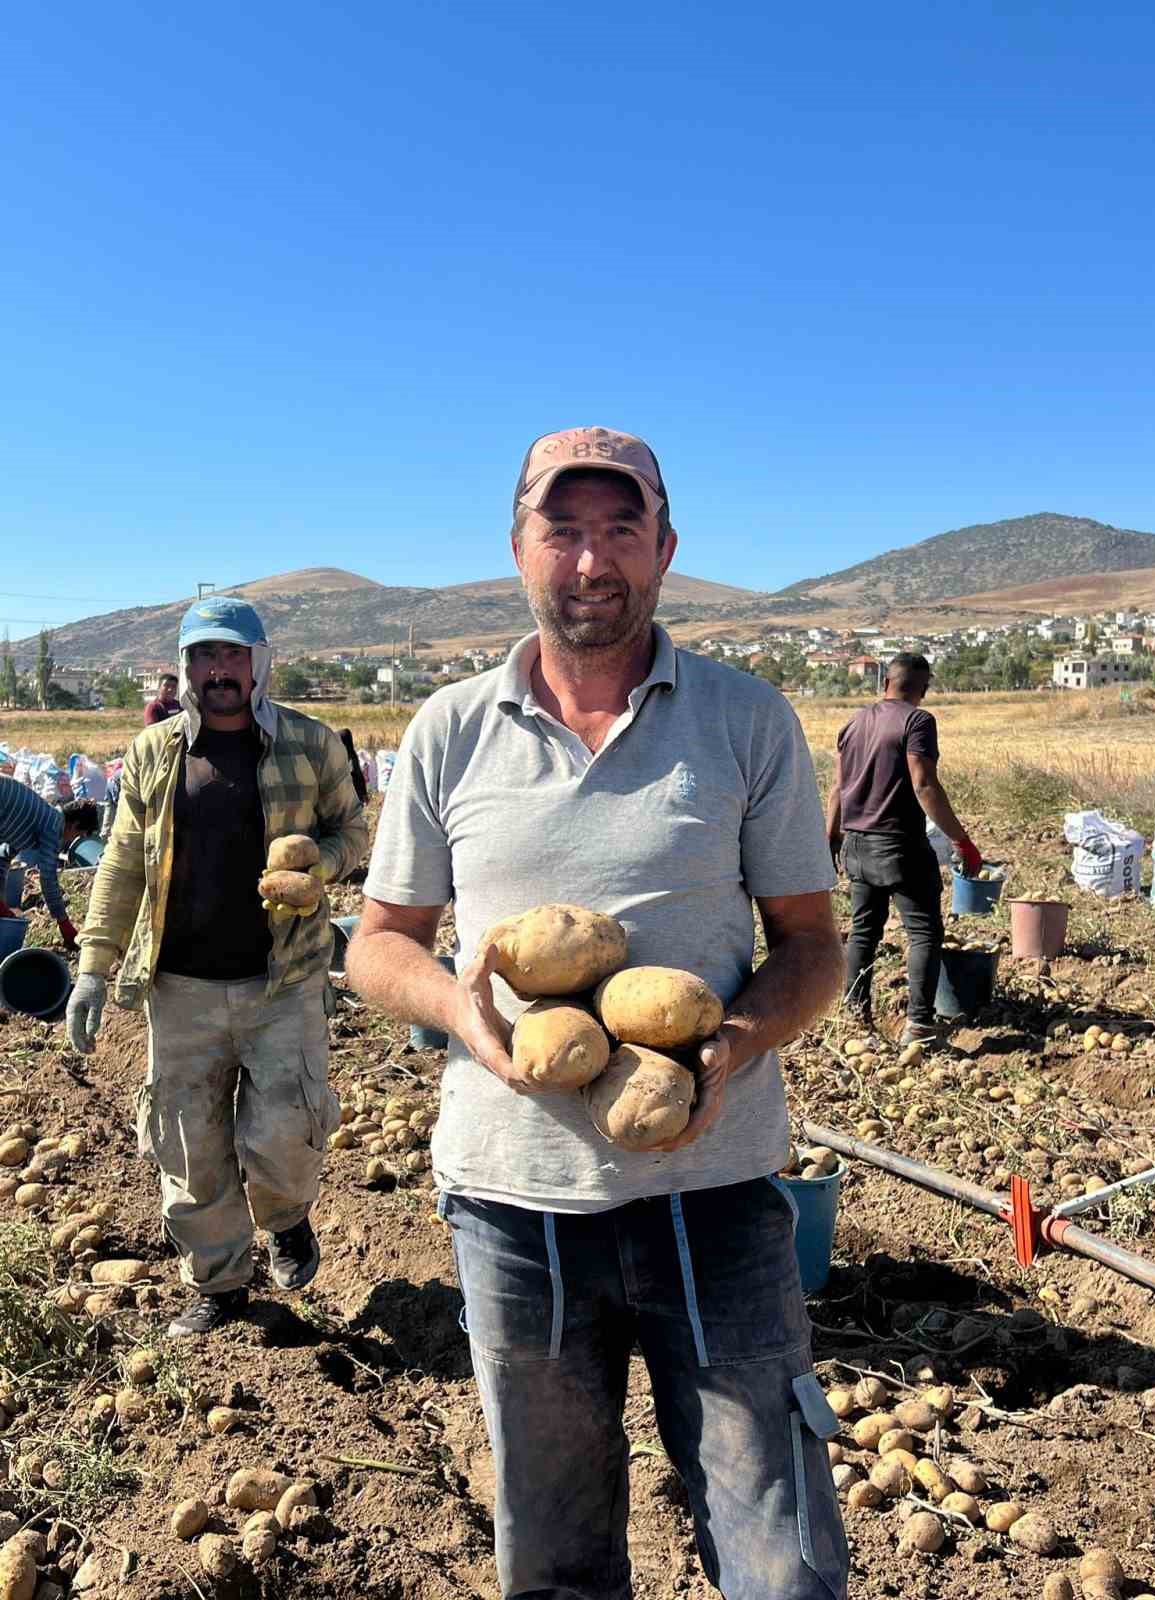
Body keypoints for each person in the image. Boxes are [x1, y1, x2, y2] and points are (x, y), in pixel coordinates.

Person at [347, 426, 849, 1600]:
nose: (590, 558)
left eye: (620, 527)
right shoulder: (449, 729)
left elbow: (816, 945)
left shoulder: (745, 719)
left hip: (716, 1196)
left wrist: (742, 1036)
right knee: (556, 1557)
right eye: (561, 528)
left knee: (783, 1553)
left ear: (666, 548)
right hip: (516, 1209)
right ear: (518, 549)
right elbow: (379, 943)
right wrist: (464, 1016)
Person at [64, 597, 367, 1338]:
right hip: (181, 988)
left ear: (260, 664)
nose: (219, 671)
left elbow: (354, 829)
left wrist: (320, 866)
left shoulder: (310, 742)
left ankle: (287, 1219)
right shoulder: (155, 751)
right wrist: (94, 968)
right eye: (204, 656)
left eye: (234, 655)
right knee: (190, 1145)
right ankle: (219, 1284)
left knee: (283, 1132)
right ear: (185, 666)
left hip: (283, 979)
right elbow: (122, 864)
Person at [825, 652, 982, 1045]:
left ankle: (856, 1018)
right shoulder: (918, 721)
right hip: (899, 847)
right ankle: (920, 1025)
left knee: (863, 933)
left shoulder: (855, 722)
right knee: (924, 933)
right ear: (923, 688)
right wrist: (961, 841)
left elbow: (836, 789)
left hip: (857, 845)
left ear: (885, 684)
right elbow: (924, 784)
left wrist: (831, 841)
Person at [0, 780, 94, 949]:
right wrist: (64, 924)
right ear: (73, 825)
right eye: (77, 835)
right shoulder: (54, 825)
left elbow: (4, 855)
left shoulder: (37, 820)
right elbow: (48, 877)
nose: (71, 840)